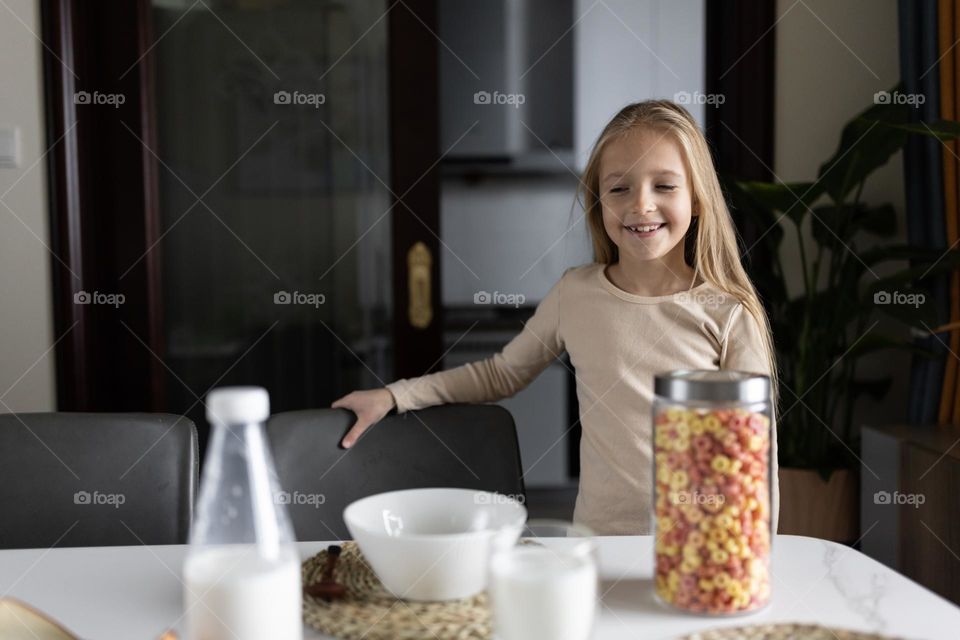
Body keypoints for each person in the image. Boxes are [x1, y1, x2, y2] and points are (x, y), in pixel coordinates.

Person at [332, 100, 779, 536]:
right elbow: (500, 374)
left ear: (698, 199)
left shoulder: (728, 314)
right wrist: (395, 396)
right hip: (600, 546)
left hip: (699, 550)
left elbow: (753, 455)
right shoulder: (575, 293)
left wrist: (755, 559)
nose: (641, 205)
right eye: (619, 188)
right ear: (598, 200)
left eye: (664, 186)